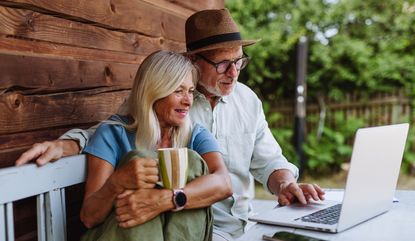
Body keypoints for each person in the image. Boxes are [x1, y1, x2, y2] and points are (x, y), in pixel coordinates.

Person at [16, 8, 325, 240]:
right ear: (194, 61)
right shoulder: (163, 105)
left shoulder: (246, 101)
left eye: (240, 61)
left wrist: (285, 184)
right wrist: (68, 144)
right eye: (223, 63)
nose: (234, 72)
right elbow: (123, 126)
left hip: (241, 225)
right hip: (187, 228)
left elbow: (268, 160)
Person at [79, 50, 231, 241]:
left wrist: (165, 200)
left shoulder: (196, 134)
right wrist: (116, 183)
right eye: (178, 91)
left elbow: (224, 183)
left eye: (190, 91)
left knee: (190, 161)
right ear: (153, 91)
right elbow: (89, 217)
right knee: (139, 160)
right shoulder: (113, 134)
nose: (188, 101)